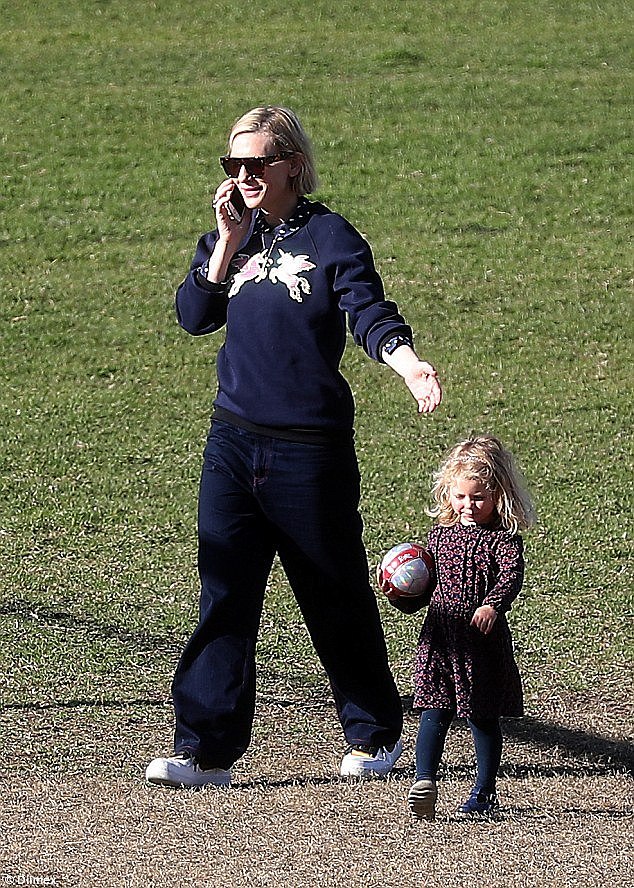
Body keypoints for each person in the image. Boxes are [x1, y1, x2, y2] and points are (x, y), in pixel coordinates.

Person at [145, 106, 442, 788]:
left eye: (256, 164)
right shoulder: (230, 236)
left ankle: (374, 733)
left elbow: (369, 310)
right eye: (233, 165)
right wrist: (225, 244)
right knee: (224, 595)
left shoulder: (331, 236)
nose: (244, 176)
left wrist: (408, 364)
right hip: (232, 443)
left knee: (332, 591)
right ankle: (205, 750)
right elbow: (194, 316)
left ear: (292, 167)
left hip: (309, 451)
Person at [405, 434, 535, 820]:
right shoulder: (441, 534)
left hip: (480, 640)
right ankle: (424, 780)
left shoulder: (502, 540)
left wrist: (493, 604)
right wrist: (405, 591)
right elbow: (425, 575)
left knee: (482, 715)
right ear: (449, 493)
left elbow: (511, 576)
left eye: (477, 498)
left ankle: (484, 791)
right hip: (442, 635)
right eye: (460, 496)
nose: (467, 505)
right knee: (433, 709)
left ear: (498, 495)